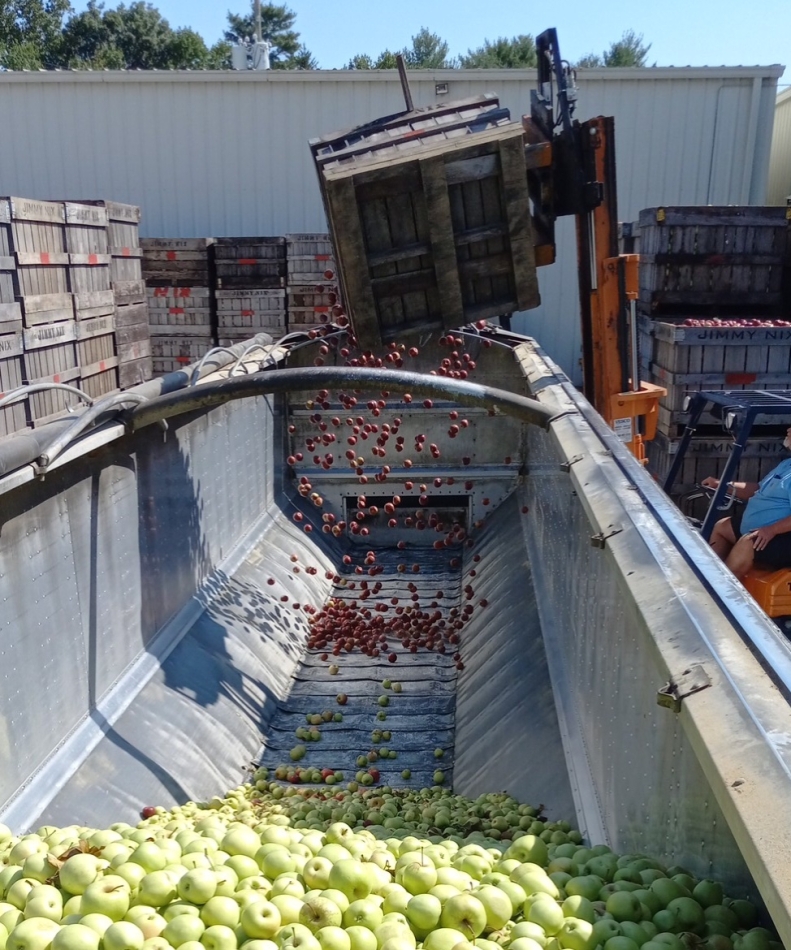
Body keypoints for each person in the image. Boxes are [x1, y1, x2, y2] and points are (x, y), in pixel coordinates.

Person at [703, 427, 791, 580]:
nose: (788, 430)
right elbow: (757, 488)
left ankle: (720, 590)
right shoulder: (786, 465)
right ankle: (705, 576)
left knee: (748, 542)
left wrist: (772, 530)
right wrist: (722, 485)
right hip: (763, 530)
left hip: (782, 536)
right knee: (722, 526)